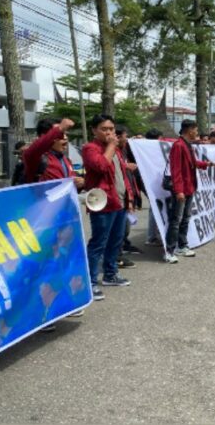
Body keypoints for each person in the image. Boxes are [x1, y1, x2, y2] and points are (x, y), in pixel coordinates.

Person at [81, 114, 136, 300]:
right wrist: (112, 145)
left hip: (118, 202)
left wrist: (128, 198)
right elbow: (101, 167)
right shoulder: (90, 148)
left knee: (116, 241)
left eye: (112, 129)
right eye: (105, 129)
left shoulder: (117, 151)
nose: (110, 133)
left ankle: (111, 274)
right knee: (98, 243)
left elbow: (121, 175)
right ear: (94, 130)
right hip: (102, 204)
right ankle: (90, 282)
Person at [165, 120, 215, 263]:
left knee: (185, 218)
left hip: (190, 188)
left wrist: (211, 164)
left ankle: (182, 245)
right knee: (176, 220)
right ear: (189, 130)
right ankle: (169, 251)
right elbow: (176, 170)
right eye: (195, 130)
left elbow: (193, 163)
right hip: (182, 189)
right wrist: (179, 191)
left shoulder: (187, 145)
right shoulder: (178, 146)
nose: (197, 133)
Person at [23, 117, 84, 189]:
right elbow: (29, 153)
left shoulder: (65, 159)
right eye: (59, 134)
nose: (65, 137)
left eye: (65, 133)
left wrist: (79, 183)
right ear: (44, 136)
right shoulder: (36, 158)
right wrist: (59, 129)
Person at [115, 125, 143, 264]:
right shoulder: (112, 152)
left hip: (128, 195)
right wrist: (125, 166)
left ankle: (120, 250)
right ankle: (115, 257)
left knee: (124, 229)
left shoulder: (123, 151)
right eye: (126, 137)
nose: (127, 140)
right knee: (118, 230)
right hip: (118, 198)